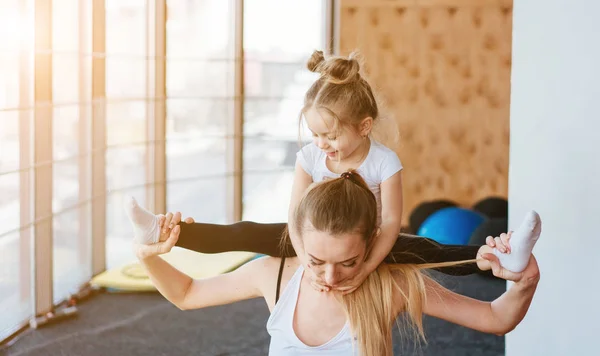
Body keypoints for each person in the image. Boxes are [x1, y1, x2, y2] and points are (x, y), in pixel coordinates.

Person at [125, 50, 538, 290]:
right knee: (246, 231)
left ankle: (503, 256)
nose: (322, 144)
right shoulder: (310, 158)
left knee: (431, 252)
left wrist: (367, 265)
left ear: (364, 127)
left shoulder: (384, 162)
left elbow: (392, 222)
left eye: (331, 136)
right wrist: (306, 256)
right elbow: (294, 215)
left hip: (366, 241)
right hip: (314, 240)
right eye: (315, 134)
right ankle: (162, 231)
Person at [130, 170, 541, 356]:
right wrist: (148, 258)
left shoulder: (388, 285)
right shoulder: (274, 275)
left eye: (348, 262)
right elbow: (186, 294)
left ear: (371, 247)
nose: (330, 276)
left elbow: (493, 319)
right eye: (316, 261)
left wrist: (524, 283)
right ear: (296, 241)